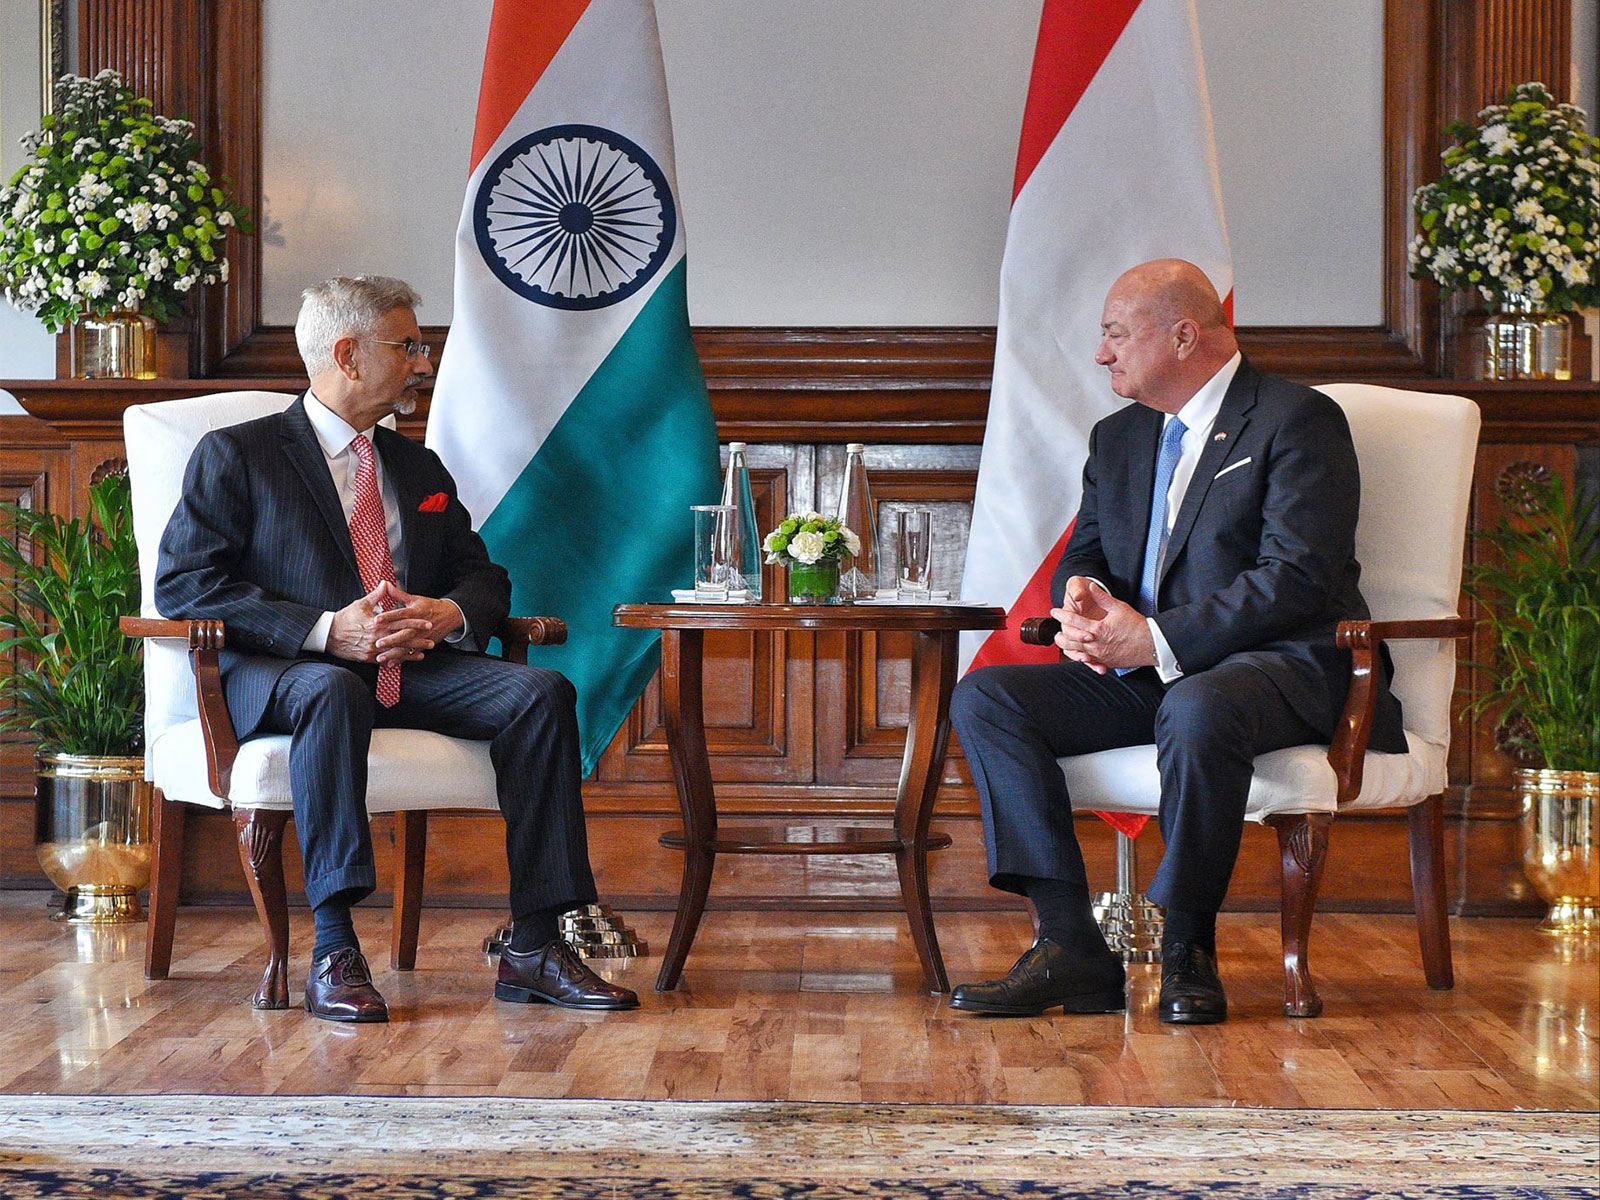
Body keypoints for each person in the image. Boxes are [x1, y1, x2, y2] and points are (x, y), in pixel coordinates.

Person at [155, 275, 638, 1023]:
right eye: (407, 346)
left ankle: (537, 946)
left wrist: (450, 613)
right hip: (291, 672)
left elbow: (482, 574)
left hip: (408, 671)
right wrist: (325, 630)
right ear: (348, 355)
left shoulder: (418, 468)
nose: (423, 362)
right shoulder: (238, 455)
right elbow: (185, 585)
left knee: (541, 694)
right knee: (331, 687)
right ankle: (335, 950)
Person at [948, 259, 1404, 1025]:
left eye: (1116, 334)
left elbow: (1299, 576)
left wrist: (1155, 636)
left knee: (1199, 705)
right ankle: (1069, 945)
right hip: (1154, 671)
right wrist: (1084, 600)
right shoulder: (1119, 436)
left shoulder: (1296, 418)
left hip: (1281, 666)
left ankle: (1189, 945)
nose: (1102, 353)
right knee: (989, 698)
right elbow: (1088, 552)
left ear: (1183, 336)